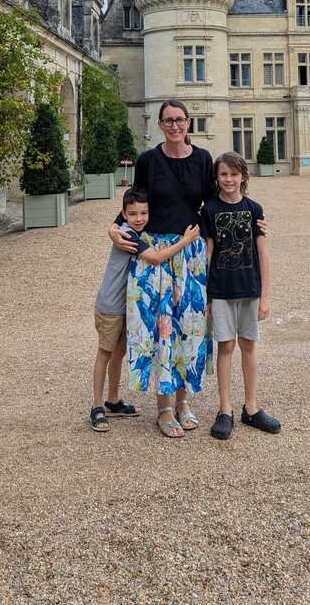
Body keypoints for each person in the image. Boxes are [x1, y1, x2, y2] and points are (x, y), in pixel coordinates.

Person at [109, 99, 215, 439]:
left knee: (190, 328)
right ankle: (164, 408)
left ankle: (183, 403)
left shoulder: (202, 160)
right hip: (156, 253)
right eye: (168, 120)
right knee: (161, 331)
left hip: (191, 254)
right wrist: (115, 227)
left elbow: (212, 206)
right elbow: (135, 202)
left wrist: (249, 221)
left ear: (188, 123)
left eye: (180, 120)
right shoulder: (148, 160)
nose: (174, 126)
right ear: (160, 124)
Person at [91, 187, 199, 432]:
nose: (139, 218)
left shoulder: (138, 232)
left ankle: (113, 400)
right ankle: (97, 406)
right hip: (111, 304)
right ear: (124, 215)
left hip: (128, 305)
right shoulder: (128, 234)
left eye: (143, 213)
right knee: (105, 353)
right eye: (133, 214)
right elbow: (156, 258)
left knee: (118, 352)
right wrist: (185, 241)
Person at [201, 151, 281, 441]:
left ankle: (251, 406)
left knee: (249, 345)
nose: (229, 179)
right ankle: (225, 409)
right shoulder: (209, 210)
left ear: (243, 176)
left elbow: (263, 254)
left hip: (249, 288)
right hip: (221, 290)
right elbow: (208, 254)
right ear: (216, 178)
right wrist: (205, 295)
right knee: (225, 347)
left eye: (234, 174)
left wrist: (266, 296)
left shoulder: (254, 210)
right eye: (223, 174)